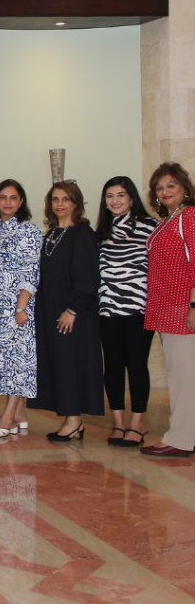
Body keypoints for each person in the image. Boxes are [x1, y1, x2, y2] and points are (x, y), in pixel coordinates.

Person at [29, 182, 103, 441]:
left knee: (70, 364)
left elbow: (87, 277)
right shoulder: (51, 234)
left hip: (73, 313)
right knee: (58, 364)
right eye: (55, 199)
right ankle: (72, 420)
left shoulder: (82, 234)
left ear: (76, 203)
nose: (60, 204)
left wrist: (72, 309)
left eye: (66, 199)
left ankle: (73, 421)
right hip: (50, 310)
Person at [95, 176, 157, 447]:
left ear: (132, 198)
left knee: (137, 365)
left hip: (139, 310)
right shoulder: (101, 232)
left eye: (121, 195)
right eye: (110, 196)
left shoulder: (150, 227)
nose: (115, 200)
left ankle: (137, 424)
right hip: (107, 311)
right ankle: (119, 423)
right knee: (113, 367)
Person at [141, 163, 195, 457]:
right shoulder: (167, 220)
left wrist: (193, 304)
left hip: (181, 308)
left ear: (184, 188)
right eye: (160, 188)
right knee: (184, 374)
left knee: (183, 377)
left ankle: (181, 438)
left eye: (170, 185)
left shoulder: (190, 216)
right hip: (166, 307)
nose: (165, 191)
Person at [0, 180, 41, 439]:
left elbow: (31, 271)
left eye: (13, 197)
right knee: (5, 362)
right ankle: (19, 414)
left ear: (21, 202)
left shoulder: (29, 231)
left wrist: (21, 306)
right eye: (3, 197)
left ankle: (8, 418)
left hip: (17, 307)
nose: (8, 202)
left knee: (18, 362)